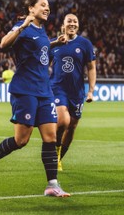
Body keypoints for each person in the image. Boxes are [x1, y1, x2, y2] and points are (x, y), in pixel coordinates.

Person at [0, 0, 70, 197]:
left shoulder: (41, 30)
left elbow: (40, 53)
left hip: (44, 91)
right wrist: (22, 25)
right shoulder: (23, 26)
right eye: (43, 5)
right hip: (25, 90)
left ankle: (52, 185)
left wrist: (55, 43)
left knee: (50, 137)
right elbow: (3, 44)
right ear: (31, 8)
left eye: (48, 6)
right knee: (21, 140)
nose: (47, 8)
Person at [49, 13, 96, 171]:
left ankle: (59, 158)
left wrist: (90, 91)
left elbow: (91, 67)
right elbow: (42, 62)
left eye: (75, 21)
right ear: (63, 25)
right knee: (63, 121)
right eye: (69, 21)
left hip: (76, 92)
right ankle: (53, 152)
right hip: (57, 88)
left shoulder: (85, 44)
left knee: (72, 126)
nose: (73, 24)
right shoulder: (54, 44)